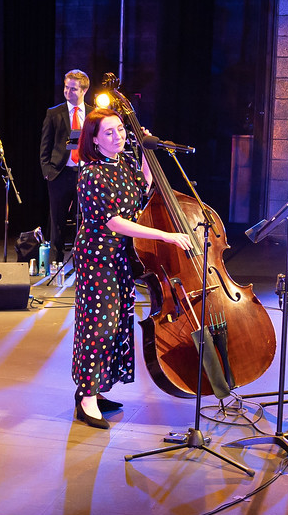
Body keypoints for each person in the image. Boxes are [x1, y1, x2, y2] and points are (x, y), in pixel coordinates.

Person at [69, 113, 196, 428]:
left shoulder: (124, 165)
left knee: (115, 325)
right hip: (97, 258)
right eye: (109, 132)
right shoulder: (91, 174)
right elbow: (113, 221)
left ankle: (95, 393)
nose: (118, 136)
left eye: (121, 130)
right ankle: (85, 399)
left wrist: (147, 152)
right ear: (94, 139)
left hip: (122, 256)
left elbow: (144, 186)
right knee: (97, 326)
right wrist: (165, 236)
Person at [39, 70, 90, 266]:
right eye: (66, 87)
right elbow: (45, 144)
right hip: (60, 173)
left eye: (73, 89)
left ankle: (82, 262)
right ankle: (55, 262)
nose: (68, 91)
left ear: (84, 90)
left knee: (84, 219)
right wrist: (47, 171)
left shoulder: (93, 113)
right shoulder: (54, 113)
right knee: (57, 219)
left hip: (85, 174)